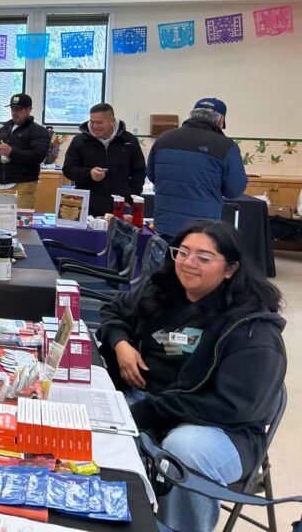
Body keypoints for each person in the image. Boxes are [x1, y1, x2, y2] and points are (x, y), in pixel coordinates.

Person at [98, 220, 285, 532]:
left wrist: (145, 414)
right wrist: (121, 345)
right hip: (149, 400)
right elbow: (113, 311)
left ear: (230, 269)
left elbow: (232, 407)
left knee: (184, 447)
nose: (188, 263)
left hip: (219, 430)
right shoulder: (163, 290)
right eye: (182, 252)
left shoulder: (254, 329)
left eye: (203, 257)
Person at [147, 97, 248, 240]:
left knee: (167, 260)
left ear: (192, 115)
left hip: (165, 224)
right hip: (203, 229)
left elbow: (151, 175)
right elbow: (235, 190)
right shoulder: (226, 146)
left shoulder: (164, 139)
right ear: (221, 120)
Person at [62, 102, 146, 217]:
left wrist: (131, 197)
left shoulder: (129, 141)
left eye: (100, 122)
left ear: (112, 121)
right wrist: (89, 173)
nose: (95, 126)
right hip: (88, 206)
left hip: (120, 206)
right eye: (92, 122)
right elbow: (68, 169)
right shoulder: (79, 141)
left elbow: (139, 171)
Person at [0, 93, 51, 209]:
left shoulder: (38, 131)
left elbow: (38, 156)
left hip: (23, 186)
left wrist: (11, 152)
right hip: (0, 186)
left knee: (20, 225)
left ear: (29, 110)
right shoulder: (4, 129)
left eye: (18, 109)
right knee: (0, 224)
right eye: (12, 109)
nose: (14, 112)